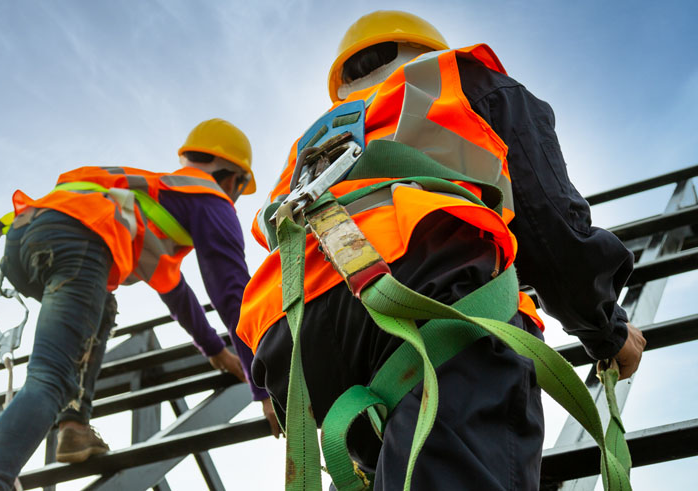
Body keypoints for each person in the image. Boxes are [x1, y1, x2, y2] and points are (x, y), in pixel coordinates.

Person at [236, 11, 647, 490]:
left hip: (292, 340)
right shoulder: (458, 79)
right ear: (426, 49)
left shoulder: (312, 145)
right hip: (429, 289)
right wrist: (605, 328)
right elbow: (546, 216)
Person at [0, 119, 274, 491]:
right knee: (49, 380)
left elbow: (178, 294)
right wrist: (264, 384)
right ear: (232, 178)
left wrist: (214, 351)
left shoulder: (157, 200)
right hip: (78, 241)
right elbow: (231, 294)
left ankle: (74, 425)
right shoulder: (209, 198)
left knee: (102, 308)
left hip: (25, 239)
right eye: (239, 188)